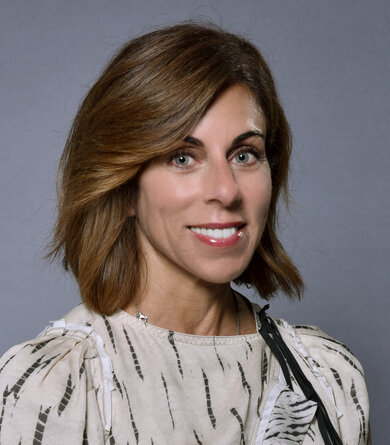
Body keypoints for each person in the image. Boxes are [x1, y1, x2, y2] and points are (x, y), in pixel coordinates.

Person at [0, 23, 370, 444]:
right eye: (182, 157)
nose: (226, 190)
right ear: (123, 188)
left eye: (245, 154)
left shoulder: (328, 379)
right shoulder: (56, 389)